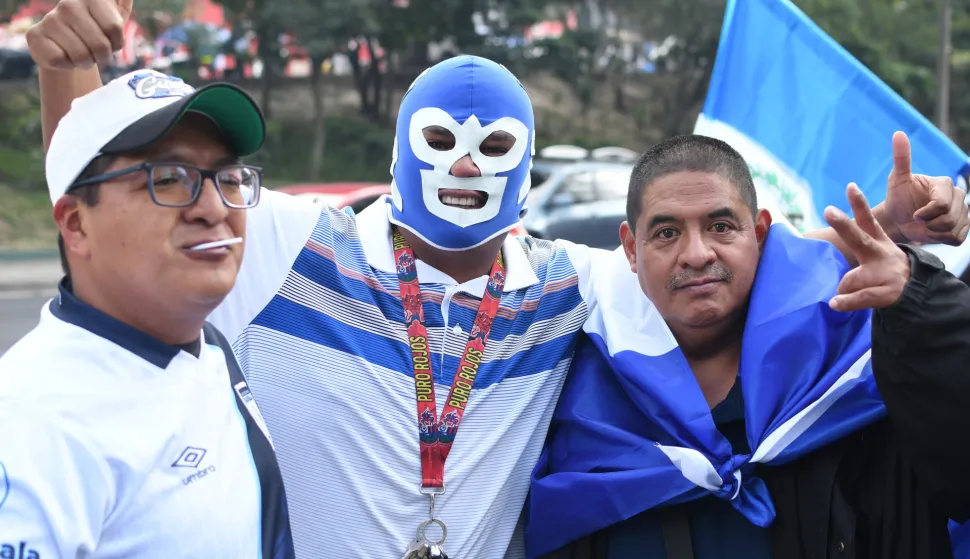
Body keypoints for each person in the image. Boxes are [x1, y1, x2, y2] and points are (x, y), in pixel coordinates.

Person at [24, 1, 970, 556]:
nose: (466, 168)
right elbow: (113, 227)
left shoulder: (572, 280)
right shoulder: (291, 243)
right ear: (401, 147)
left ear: (524, 161)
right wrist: (77, 81)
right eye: (440, 143)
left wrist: (882, 236)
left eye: (493, 148)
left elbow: (730, 271)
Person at [528, 135, 970, 559]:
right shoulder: (569, 389)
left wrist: (922, 300)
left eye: (721, 227)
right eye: (666, 233)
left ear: (760, 234)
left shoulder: (856, 367)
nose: (697, 254)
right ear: (630, 247)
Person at [0, 69, 295, 558]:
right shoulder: (32, 422)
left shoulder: (209, 347)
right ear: (76, 223)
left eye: (227, 178)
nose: (212, 207)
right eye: (168, 179)